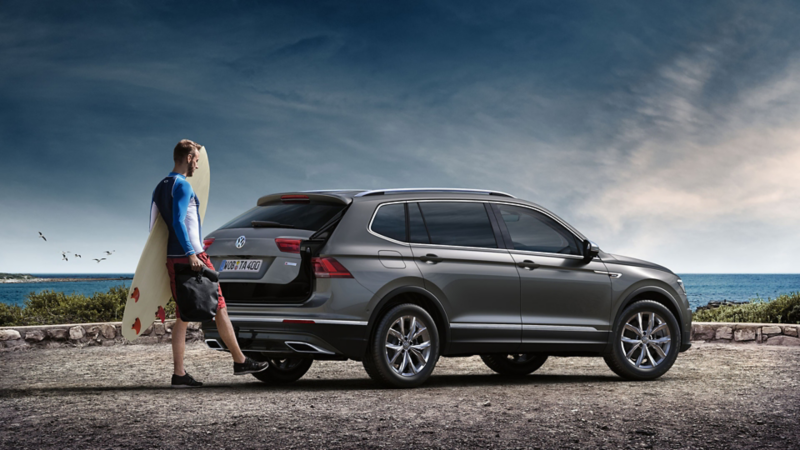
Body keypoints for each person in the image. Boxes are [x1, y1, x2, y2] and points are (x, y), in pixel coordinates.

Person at [151, 139, 268, 387]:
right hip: (193, 256)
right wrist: (192, 253)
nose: (197, 165)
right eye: (196, 159)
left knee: (183, 314)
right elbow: (178, 222)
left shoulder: (160, 186)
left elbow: (153, 227)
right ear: (188, 157)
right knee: (220, 305)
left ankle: (179, 374)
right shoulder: (182, 186)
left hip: (173, 259)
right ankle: (240, 361)